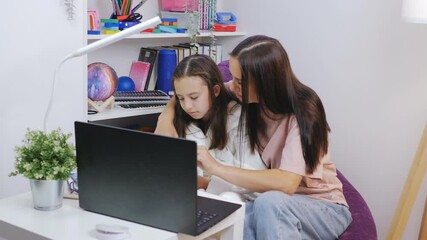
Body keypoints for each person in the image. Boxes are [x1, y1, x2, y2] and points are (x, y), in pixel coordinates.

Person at [156, 35, 352, 239]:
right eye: (234, 78)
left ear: (265, 81)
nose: (233, 85)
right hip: (270, 205)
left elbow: (286, 183)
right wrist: (167, 114)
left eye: (240, 81)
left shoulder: (305, 111)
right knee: (226, 219)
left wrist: (216, 168)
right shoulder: (245, 93)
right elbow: (192, 90)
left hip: (322, 207)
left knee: (269, 203)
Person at [163, 54, 266, 194]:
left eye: (194, 97)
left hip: (234, 201)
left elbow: (254, 182)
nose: (187, 106)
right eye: (180, 98)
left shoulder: (237, 119)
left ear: (215, 90)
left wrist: (207, 183)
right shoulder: (177, 121)